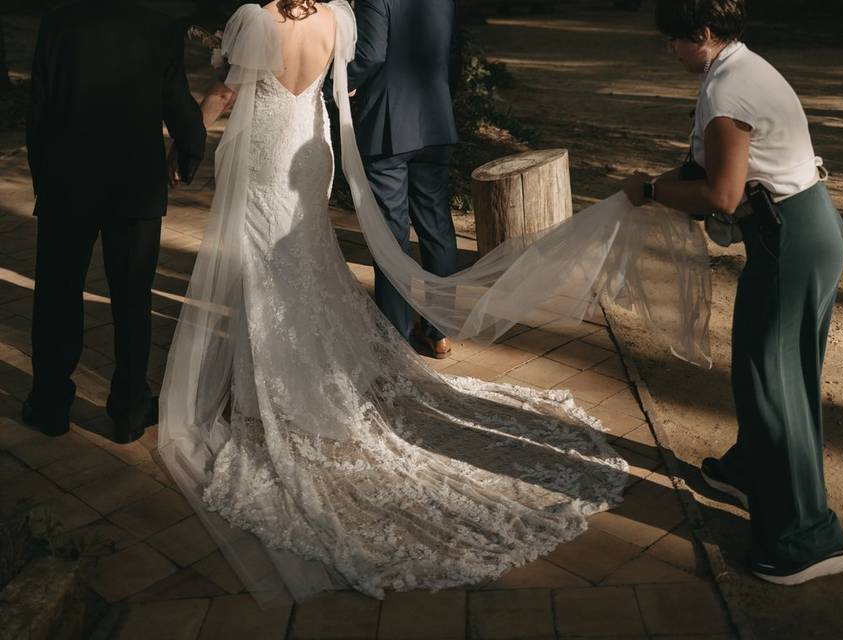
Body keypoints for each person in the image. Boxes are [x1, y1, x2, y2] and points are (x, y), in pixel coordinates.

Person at [160, 0, 628, 602]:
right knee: (304, 255)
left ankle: (273, 383)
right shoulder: (337, 16)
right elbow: (351, 77)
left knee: (267, 261)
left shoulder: (253, 18)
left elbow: (227, 93)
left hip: (269, 150)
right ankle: (372, 347)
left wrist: (187, 132)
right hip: (315, 147)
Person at [623, 0, 843, 585]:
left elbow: (723, 197)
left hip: (790, 244)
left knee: (772, 382)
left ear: (701, 33)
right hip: (805, 230)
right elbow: (709, 171)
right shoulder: (740, 68)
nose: (669, 51)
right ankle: (750, 471)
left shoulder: (726, 91)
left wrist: (650, 190)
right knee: (775, 373)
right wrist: (665, 183)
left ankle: (806, 539)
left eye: (674, 40)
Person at [25, 0, 205, 443]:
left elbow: (39, 109)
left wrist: (43, 180)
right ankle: (128, 412)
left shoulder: (58, 23)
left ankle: (50, 407)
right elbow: (179, 105)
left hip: (67, 185)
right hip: (136, 188)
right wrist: (188, 155)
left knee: (57, 296)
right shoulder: (160, 28)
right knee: (131, 301)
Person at [348, 0, 460, 359]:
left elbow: (370, 56)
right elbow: (452, 55)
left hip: (388, 126)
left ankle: (394, 334)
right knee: (437, 227)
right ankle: (439, 332)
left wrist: (335, 84)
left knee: (391, 233)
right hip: (436, 119)